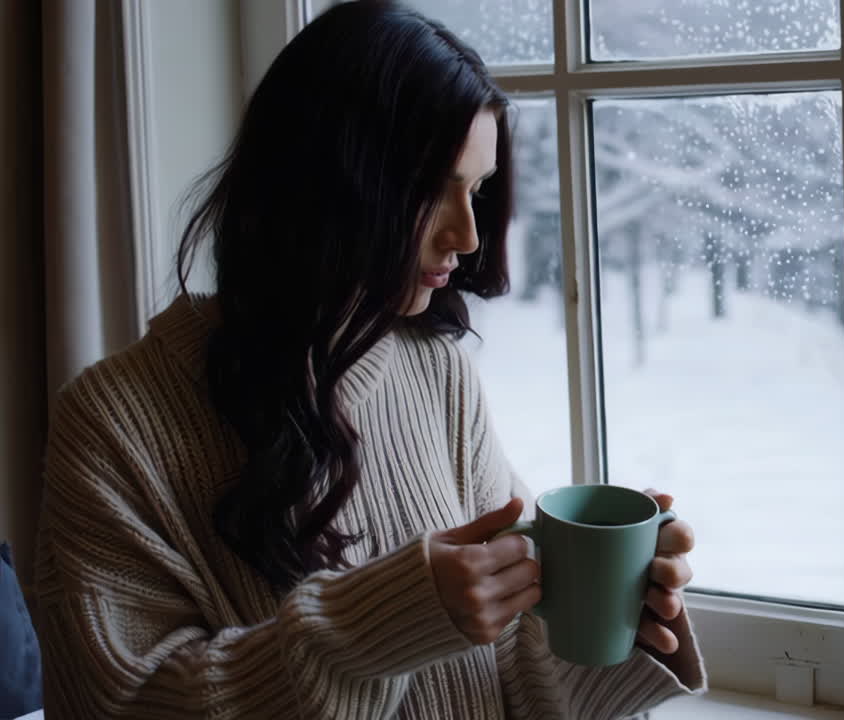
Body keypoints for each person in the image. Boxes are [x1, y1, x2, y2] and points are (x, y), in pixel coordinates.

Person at [33, 2, 705, 718]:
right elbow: (123, 705)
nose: (469, 235)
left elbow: (510, 678)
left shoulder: (437, 375)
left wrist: (625, 623)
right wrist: (386, 622)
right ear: (325, 181)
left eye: (477, 189)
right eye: (430, 189)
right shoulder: (112, 426)